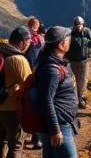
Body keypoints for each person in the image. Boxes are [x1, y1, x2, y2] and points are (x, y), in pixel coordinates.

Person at [0, 26, 34, 158]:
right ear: (22, 42)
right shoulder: (18, 59)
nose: (29, 44)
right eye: (28, 41)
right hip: (11, 109)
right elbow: (29, 83)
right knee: (16, 145)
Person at [34, 26, 78, 158]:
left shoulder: (49, 62)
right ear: (61, 44)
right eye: (68, 39)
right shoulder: (52, 70)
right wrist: (55, 130)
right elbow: (46, 100)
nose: (70, 41)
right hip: (59, 126)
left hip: (55, 124)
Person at [64, 16, 91, 109]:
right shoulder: (70, 33)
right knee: (72, 81)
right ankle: (73, 101)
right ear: (74, 25)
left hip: (84, 61)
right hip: (72, 61)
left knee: (83, 81)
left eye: (80, 25)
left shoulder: (87, 31)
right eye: (76, 25)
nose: (78, 27)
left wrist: (88, 43)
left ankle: (81, 100)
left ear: (83, 24)